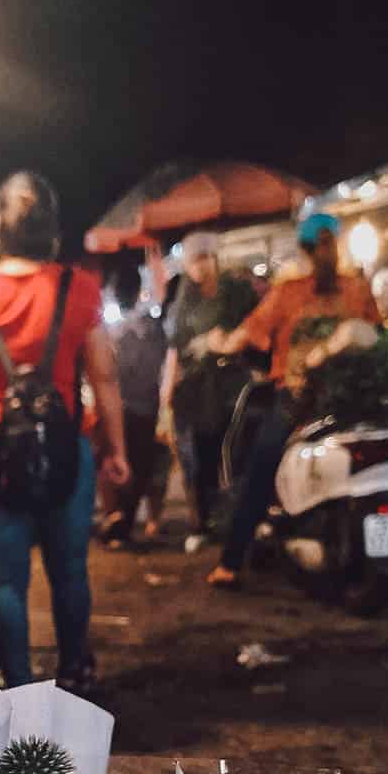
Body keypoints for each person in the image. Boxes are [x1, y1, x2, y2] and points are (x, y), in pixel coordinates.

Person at [0, 172, 130, 690]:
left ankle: (19, 687)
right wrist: (117, 451)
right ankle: (74, 674)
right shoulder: (79, 289)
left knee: (4, 580)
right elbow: (105, 378)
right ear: (51, 229)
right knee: (69, 571)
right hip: (68, 451)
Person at [205, 213, 379, 587]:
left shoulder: (289, 291)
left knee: (258, 471)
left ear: (302, 248)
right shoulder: (357, 288)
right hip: (353, 400)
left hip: (299, 399)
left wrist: (215, 342)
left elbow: (244, 337)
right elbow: (377, 332)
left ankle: (230, 564)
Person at [162, 232, 258, 553]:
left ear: (214, 258)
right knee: (198, 458)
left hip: (234, 385)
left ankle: (238, 521)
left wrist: (231, 341)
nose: (199, 267)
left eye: (203, 258)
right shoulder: (183, 301)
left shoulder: (237, 292)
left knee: (234, 453)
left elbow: (255, 327)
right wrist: (166, 401)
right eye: (193, 261)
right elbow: (175, 351)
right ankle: (201, 524)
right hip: (196, 391)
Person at [99, 259, 167, 545]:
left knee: (115, 463)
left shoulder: (109, 330)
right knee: (138, 466)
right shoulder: (151, 327)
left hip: (119, 407)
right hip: (145, 408)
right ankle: (122, 522)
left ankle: (118, 521)